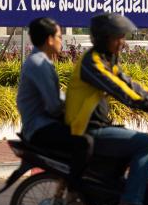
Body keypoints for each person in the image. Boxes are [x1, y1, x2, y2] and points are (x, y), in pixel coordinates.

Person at [64, 13, 148, 205]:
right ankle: (130, 204)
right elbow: (118, 89)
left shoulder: (106, 59)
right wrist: (147, 105)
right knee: (146, 143)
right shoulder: (92, 63)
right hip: (86, 130)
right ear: (104, 38)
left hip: (99, 126)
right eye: (117, 37)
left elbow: (129, 83)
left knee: (133, 140)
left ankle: (120, 194)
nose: (122, 42)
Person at [16, 17, 94, 194]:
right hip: (40, 128)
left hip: (44, 124)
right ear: (49, 40)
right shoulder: (39, 64)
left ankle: (67, 187)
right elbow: (54, 107)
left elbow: (58, 98)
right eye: (59, 36)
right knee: (87, 142)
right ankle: (77, 194)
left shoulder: (42, 61)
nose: (62, 40)